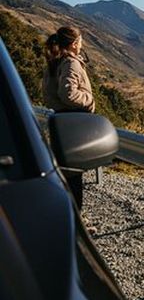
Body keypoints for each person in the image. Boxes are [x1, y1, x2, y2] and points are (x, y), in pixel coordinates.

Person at [42, 26, 95, 210]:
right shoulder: (70, 63)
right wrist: (89, 100)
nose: (81, 45)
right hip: (73, 124)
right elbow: (68, 94)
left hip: (60, 122)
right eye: (80, 41)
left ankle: (69, 218)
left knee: (66, 176)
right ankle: (76, 223)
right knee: (74, 177)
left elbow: (49, 94)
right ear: (74, 44)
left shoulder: (54, 61)